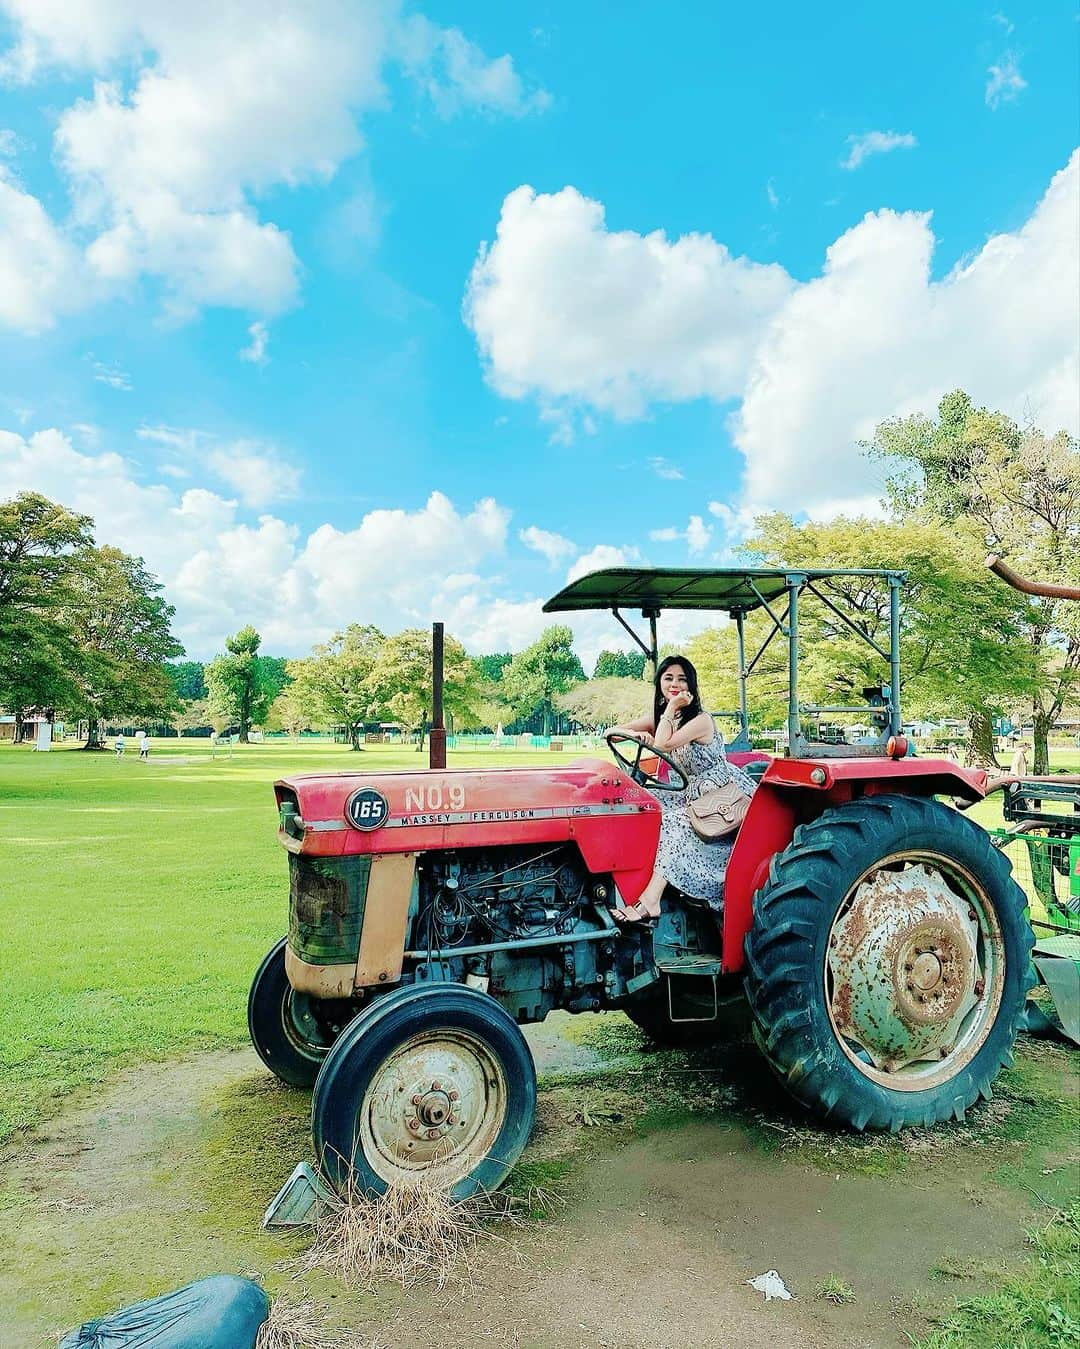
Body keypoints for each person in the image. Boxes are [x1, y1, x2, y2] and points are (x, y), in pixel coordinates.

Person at [606, 655, 756, 923]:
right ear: (659, 682)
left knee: (674, 822)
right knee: (641, 802)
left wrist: (672, 707)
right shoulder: (664, 718)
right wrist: (637, 734)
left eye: (682, 679)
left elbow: (663, 744)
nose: (674, 684)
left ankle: (651, 900)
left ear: (692, 685)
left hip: (719, 793)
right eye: (668, 678)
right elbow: (612, 733)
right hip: (691, 792)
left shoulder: (700, 720)